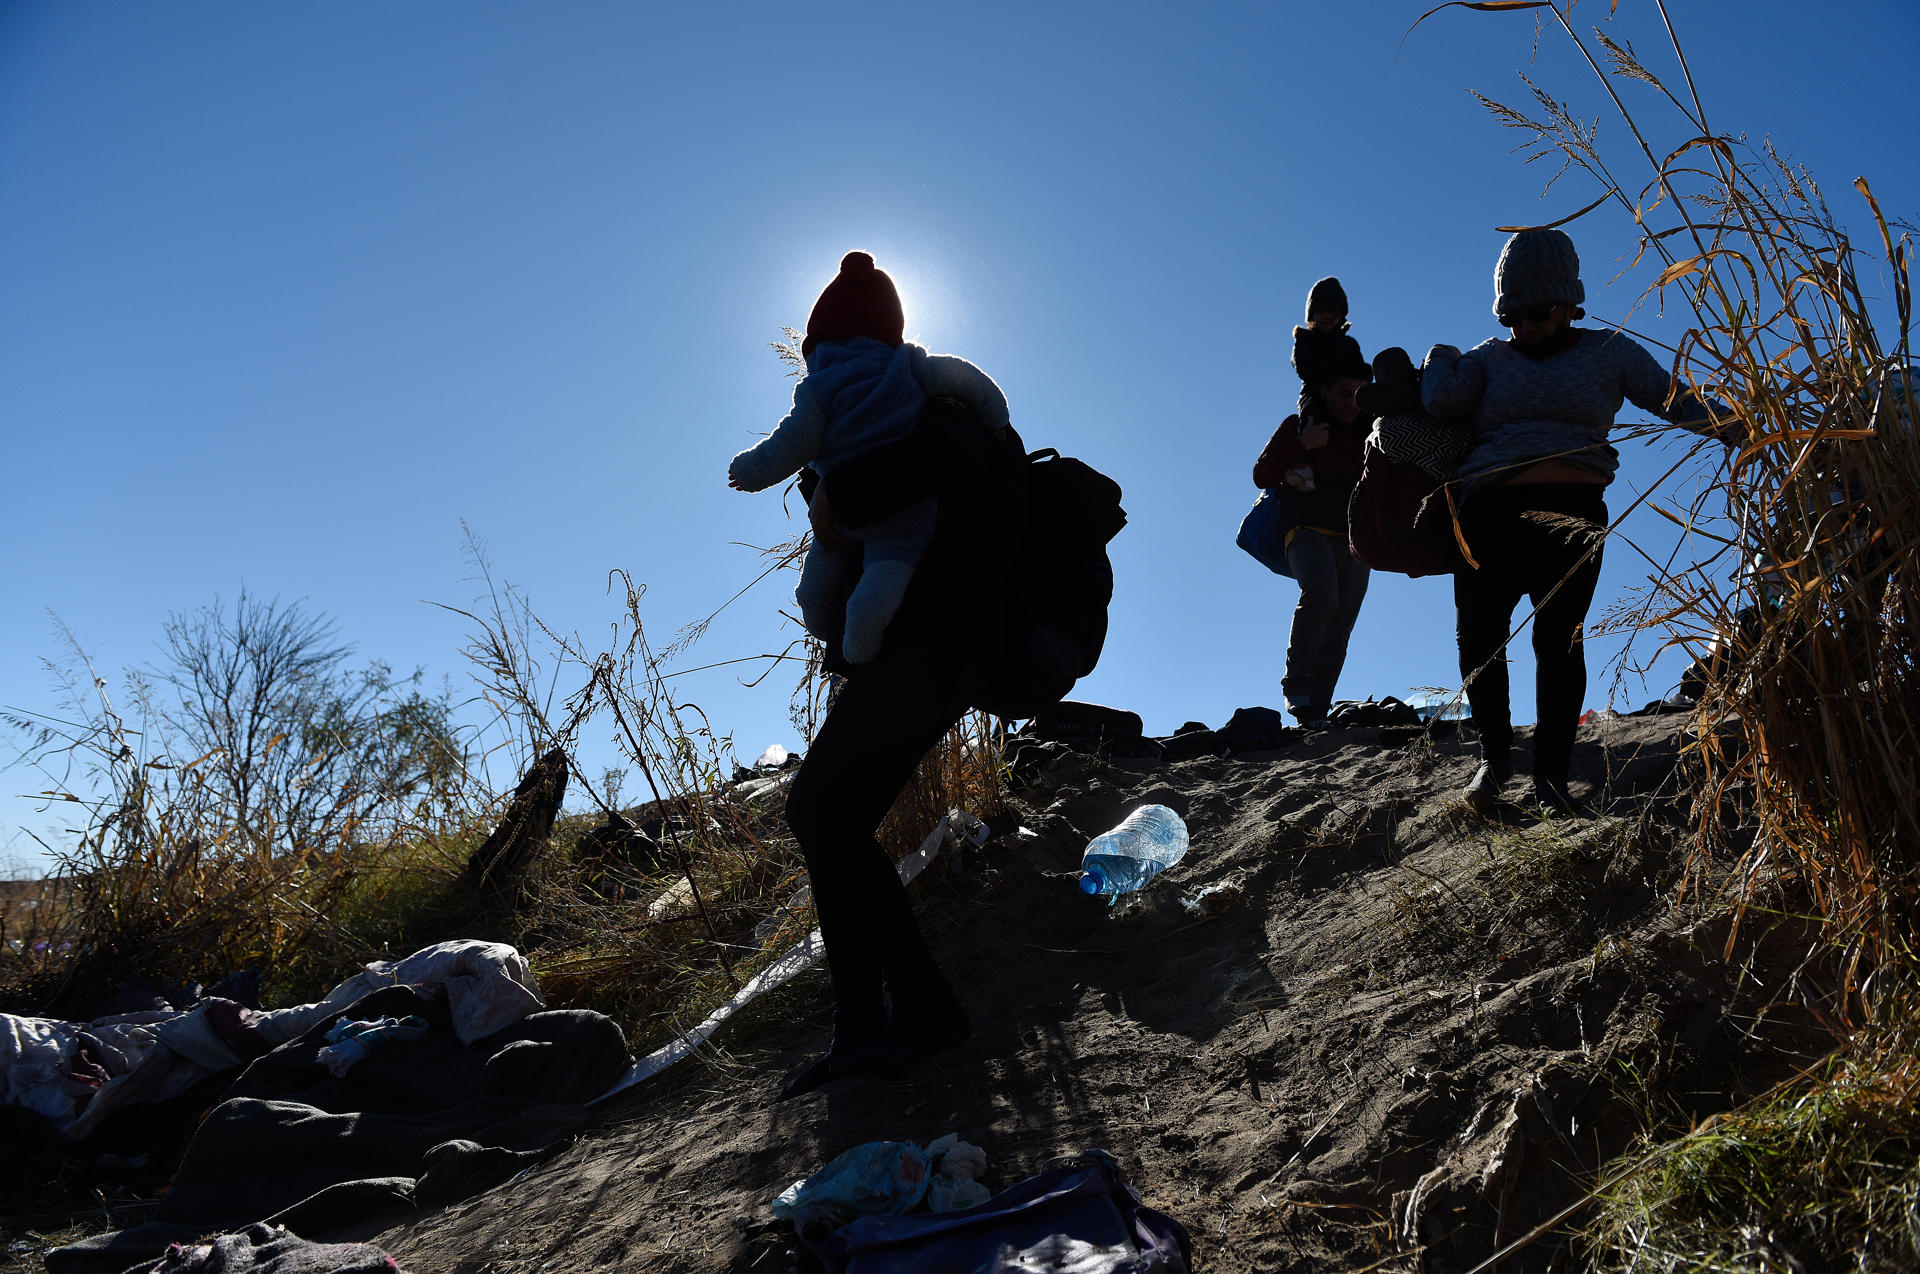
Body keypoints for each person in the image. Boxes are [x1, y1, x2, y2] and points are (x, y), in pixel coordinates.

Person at [758, 253, 1027, 1100]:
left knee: (823, 811)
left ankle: (913, 1011)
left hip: (942, 642)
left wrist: (837, 495)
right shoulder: (908, 408)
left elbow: (910, 485)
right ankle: (862, 1027)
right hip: (923, 643)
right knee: (829, 815)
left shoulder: (940, 408)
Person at [1423, 228, 1734, 815]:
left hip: (1573, 515)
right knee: (1480, 639)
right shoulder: (1488, 359)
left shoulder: (1611, 353)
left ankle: (1551, 779)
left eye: (1539, 311)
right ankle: (1494, 762)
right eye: (1513, 314)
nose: (1528, 325)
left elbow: (1677, 401)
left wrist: (1748, 427)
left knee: (1558, 639)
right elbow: (1443, 402)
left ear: (1570, 303)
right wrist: (1440, 356)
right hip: (1488, 513)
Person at [728, 252, 1010, 664]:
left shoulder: (819, 387)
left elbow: (792, 442)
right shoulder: (907, 362)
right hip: (909, 511)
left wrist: (749, 471)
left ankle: (827, 631)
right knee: (887, 576)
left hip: (844, 514)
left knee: (814, 588)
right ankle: (859, 639)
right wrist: (997, 415)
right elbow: (961, 375)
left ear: (818, 342)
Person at [1254, 341, 1375, 726]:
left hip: (1356, 541)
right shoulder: (1300, 426)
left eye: (1360, 395)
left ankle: (1315, 712)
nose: (1351, 402)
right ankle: (1297, 685)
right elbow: (1262, 474)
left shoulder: (1370, 437)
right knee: (1322, 593)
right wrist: (1301, 446)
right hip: (1304, 531)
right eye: (1344, 393)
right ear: (1324, 391)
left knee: (1340, 625)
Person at [1286, 277, 1366, 494]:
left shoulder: (1348, 344)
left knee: (1364, 416)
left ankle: (1369, 462)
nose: (1327, 316)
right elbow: (1304, 369)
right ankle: (1305, 465)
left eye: (1332, 310)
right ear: (1312, 315)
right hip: (1315, 392)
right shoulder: (1305, 340)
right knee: (1313, 417)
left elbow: (1358, 370)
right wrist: (1329, 379)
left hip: (1347, 392)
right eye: (1321, 310)